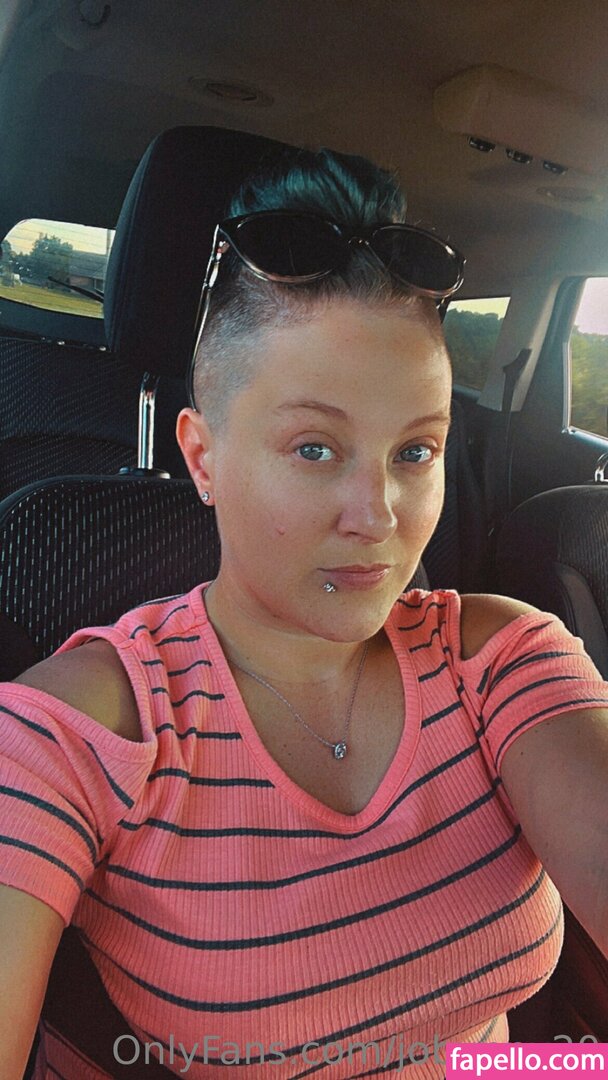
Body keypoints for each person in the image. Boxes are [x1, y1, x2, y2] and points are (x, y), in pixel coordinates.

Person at [1, 146, 608, 1080]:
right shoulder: (83, 732)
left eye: (415, 452)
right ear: (202, 458)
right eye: (316, 448)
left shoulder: (501, 656)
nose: (380, 517)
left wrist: (570, 1068)